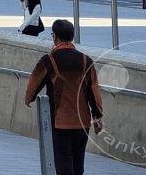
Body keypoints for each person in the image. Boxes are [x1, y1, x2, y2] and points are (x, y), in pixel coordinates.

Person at [24, 19, 104, 175]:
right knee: (77, 163)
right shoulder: (86, 60)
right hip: (82, 123)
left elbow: (32, 86)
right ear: (72, 37)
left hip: (59, 122)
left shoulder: (49, 60)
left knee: (63, 164)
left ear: (54, 37)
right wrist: (97, 116)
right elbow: (93, 90)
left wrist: (29, 99)